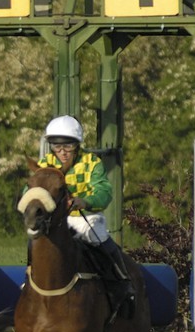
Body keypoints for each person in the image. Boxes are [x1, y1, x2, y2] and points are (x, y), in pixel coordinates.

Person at [39, 114, 134, 318]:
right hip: (56, 221)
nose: (62, 152)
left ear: (78, 145)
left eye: (68, 147)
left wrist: (85, 201)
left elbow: (104, 192)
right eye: (57, 146)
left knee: (98, 236)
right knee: (37, 241)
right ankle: (32, 279)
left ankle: (121, 281)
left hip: (86, 218)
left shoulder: (92, 162)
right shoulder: (44, 164)